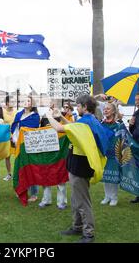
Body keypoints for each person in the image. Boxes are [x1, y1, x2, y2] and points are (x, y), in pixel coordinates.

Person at [46, 94, 109, 243]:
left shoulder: (85, 122)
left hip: (81, 166)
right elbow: (72, 127)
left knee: (82, 201)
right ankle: (77, 226)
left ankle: (88, 233)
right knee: (76, 199)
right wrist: (60, 115)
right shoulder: (89, 121)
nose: (77, 108)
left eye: (78, 106)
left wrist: (49, 116)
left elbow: (61, 129)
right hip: (78, 164)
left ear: (85, 107)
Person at [38, 105, 68, 210]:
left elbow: (67, 129)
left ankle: (62, 202)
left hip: (59, 155)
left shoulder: (61, 121)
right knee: (45, 177)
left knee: (60, 178)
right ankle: (46, 200)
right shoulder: (44, 118)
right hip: (46, 155)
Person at [11, 96, 40, 202]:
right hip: (19, 145)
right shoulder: (18, 114)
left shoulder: (35, 116)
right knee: (20, 167)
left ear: (32, 104)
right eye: (24, 100)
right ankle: (21, 189)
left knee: (31, 169)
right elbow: (13, 127)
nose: (25, 102)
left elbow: (33, 129)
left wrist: (22, 127)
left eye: (28, 100)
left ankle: (34, 193)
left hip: (30, 146)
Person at [100, 102, 124, 207]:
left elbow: (123, 140)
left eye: (108, 109)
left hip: (114, 155)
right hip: (104, 154)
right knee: (106, 176)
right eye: (104, 109)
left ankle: (114, 197)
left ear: (113, 111)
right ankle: (107, 196)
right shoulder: (101, 124)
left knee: (113, 176)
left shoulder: (118, 125)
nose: (105, 110)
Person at [2, 95, 16, 181]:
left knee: (18, 155)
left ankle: (18, 174)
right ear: (7, 103)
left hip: (15, 136)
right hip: (6, 136)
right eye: (12, 101)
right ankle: (9, 174)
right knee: (7, 156)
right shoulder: (3, 112)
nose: (13, 103)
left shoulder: (17, 112)